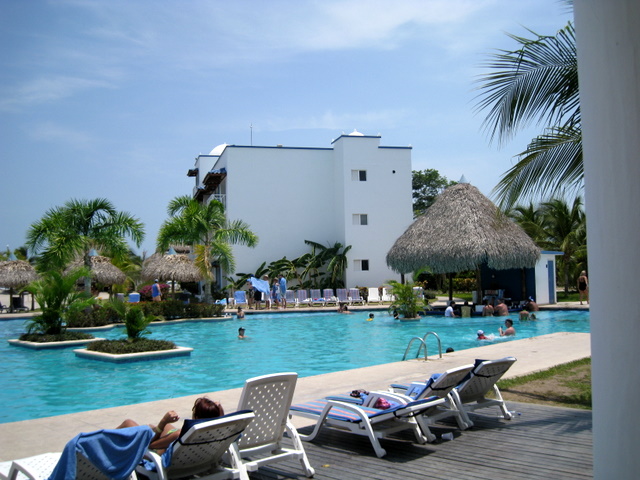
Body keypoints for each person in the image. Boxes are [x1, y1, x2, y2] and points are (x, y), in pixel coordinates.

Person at [117, 397, 224, 454]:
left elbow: (150, 445)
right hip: (195, 456)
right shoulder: (218, 430)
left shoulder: (179, 434)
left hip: (158, 454)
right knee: (153, 427)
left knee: (128, 423)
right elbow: (221, 419)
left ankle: (107, 442)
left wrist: (163, 421)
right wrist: (218, 410)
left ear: (195, 416)